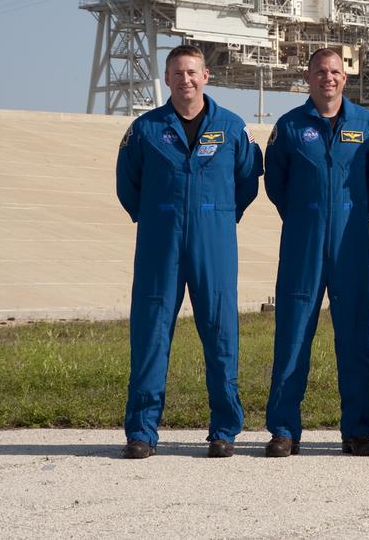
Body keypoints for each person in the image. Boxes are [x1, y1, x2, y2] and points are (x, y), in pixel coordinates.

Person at [115, 43, 263, 459]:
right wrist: (159, 214)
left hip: (213, 244)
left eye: (193, 72)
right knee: (150, 334)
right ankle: (142, 432)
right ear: (166, 79)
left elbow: (248, 180)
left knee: (220, 334)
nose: (186, 80)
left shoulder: (232, 128)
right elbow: (128, 185)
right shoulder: (145, 130)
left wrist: (218, 215)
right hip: (160, 244)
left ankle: (224, 430)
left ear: (206, 77)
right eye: (178, 73)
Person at [263, 48, 369, 458]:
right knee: (293, 335)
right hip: (303, 241)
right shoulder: (289, 126)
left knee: (354, 337)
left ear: (345, 78)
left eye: (335, 72)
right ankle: (284, 429)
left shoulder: (366, 125)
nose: (328, 78)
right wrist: (305, 216)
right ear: (308, 76)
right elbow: (276, 184)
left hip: (351, 242)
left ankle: (357, 431)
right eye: (321, 72)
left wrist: (350, 216)